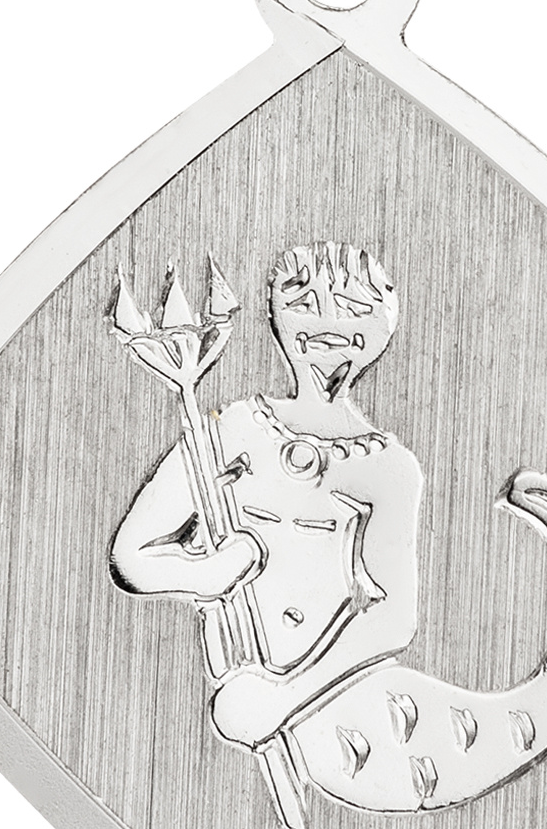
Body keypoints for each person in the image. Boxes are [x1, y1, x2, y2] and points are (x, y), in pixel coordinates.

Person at [111, 242, 421, 749]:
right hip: (234, 681)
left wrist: (282, 699)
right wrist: (207, 573)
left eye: (352, 308)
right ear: (277, 317)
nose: (327, 323)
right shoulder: (232, 430)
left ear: (384, 326)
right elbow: (131, 555)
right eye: (304, 303)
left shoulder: (390, 469)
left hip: (341, 714)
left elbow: (392, 619)